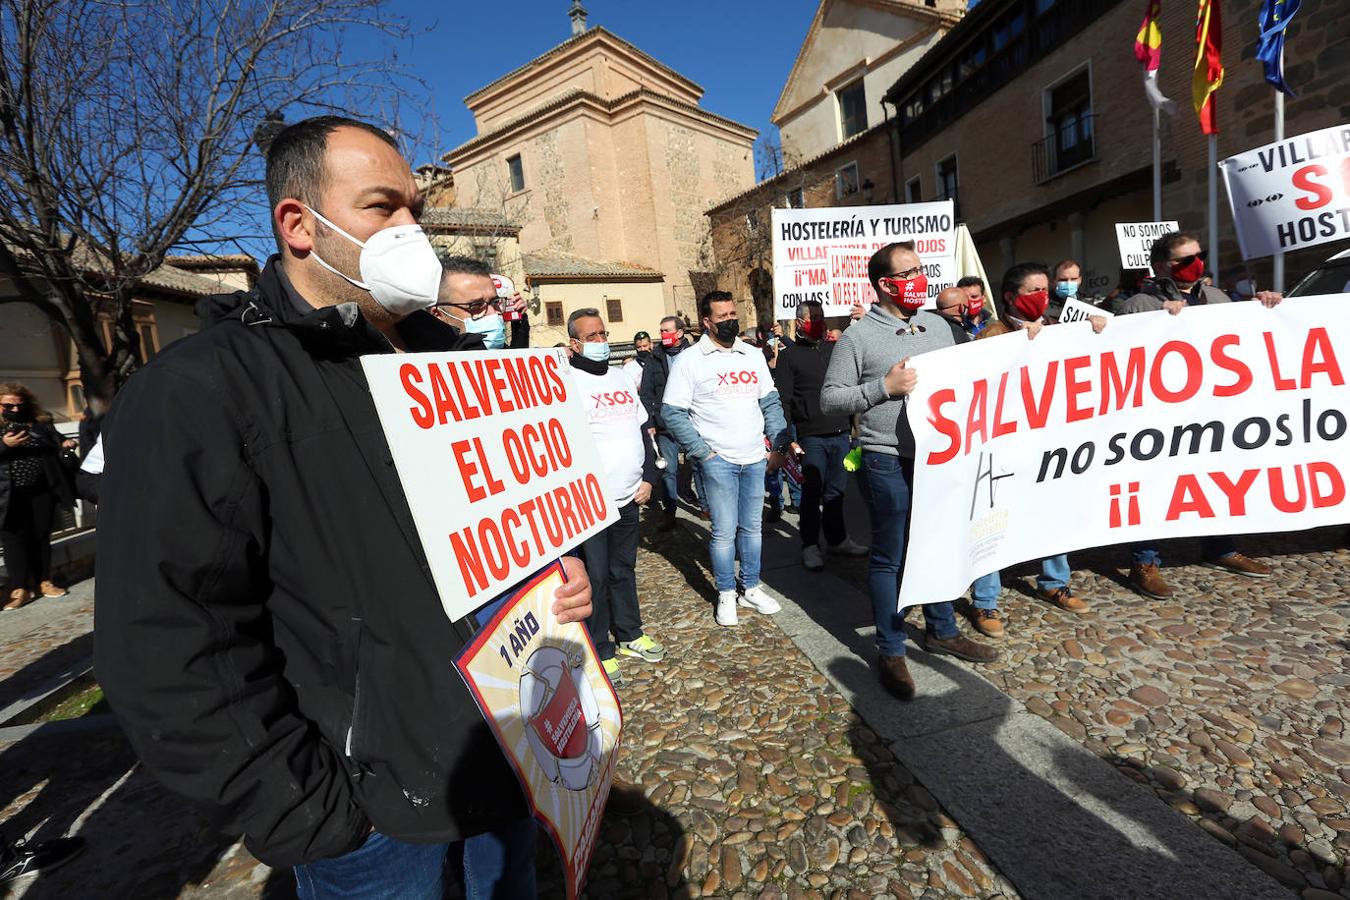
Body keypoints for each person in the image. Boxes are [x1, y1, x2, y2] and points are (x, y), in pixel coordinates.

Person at [93, 116, 594, 899]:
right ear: (298, 224)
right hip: (371, 816)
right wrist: (309, 811)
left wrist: (553, 584)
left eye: (416, 212)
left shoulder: (453, 359)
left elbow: (493, 536)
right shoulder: (202, 390)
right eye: (382, 208)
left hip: (506, 754)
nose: (411, 231)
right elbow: (167, 640)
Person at [821, 243, 997, 701]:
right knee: (890, 555)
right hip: (885, 458)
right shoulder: (858, 337)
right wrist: (884, 387)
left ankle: (941, 630)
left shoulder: (939, 324)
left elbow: (986, 363)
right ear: (885, 283)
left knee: (937, 544)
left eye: (920, 269)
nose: (920, 277)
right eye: (910, 271)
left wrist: (1045, 337)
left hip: (940, 456)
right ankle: (891, 648)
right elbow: (831, 400)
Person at [1117, 231, 1277, 597]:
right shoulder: (1139, 304)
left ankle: (1220, 547)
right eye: (1184, 260)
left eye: (1198, 256)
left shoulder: (1219, 298)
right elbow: (1119, 354)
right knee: (1154, 484)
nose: (1196, 264)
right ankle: (1144, 561)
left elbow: (1248, 335)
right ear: (1161, 266)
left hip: (1213, 408)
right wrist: (1158, 323)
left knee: (1215, 477)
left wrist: (1265, 306)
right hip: (1159, 415)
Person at [961, 264, 1096, 638]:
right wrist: (1021, 342)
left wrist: (1098, 331)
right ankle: (985, 601)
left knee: (1053, 514)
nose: (1044, 295)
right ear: (1010, 296)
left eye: (1045, 288)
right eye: (1034, 289)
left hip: (1049, 445)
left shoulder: (1058, 327)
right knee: (993, 522)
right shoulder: (991, 333)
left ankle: (1054, 581)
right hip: (1005, 448)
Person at [661, 291, 789, 627]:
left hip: (754, 457)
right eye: (723, 316)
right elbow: (671, 412)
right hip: (718, 460)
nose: (731, 320)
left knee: (752, 529)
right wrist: (702, 452)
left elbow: (771, 401)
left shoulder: (752, 354)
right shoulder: (691, 360)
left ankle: (750, 586)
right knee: (723, 533)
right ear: (706, 321)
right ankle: (726, 592)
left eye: (733, 313)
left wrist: (776, 444)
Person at [567, 309, 665, 684]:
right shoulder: (566, 381)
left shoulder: (623, 376)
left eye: (603, 334)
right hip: (591, 501)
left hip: (629, 493)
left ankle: (629, 634)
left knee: (623, 569)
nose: (600, 342)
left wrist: (650, 477)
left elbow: (642, 428)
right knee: (595, 575)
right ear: (575, 343)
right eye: (591, 337)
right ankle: (600, 647)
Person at [774, 300, 866, 570]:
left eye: (820, 316)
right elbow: (785, 399)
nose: (817, 320)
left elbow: (849, 387)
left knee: (837, 492)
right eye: (812, 317)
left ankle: (838, 540)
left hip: (839, 434)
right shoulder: (790, 356)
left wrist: (854, 430)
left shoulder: (834, 349)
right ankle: (810, 545)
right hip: (810, 436)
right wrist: (788, 438)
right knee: (812, 493)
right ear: (799, 322)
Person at [0, 384, 76, 609]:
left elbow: (56, 440)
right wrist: (4, 445)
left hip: (41, 490)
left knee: (41, 535)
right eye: (8, 405)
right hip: (7, 494)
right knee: (13, 540)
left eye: (19, 404)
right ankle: (19, 588)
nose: (14, 409)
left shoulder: (40, 423)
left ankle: (44, 581)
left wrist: (65, 443)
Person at [639, 315, 708, 528]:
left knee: (699, 465)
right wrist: (649, 421)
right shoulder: (654, 358)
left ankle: (706, 507)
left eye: (667, 330)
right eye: (661, 331)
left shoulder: (695, 355)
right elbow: (646, 394)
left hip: (692, 422)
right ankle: (670, 511)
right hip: (664, 425)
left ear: (679, 333)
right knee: (668, 469)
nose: (663, 335)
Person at [432, 254, 529, 348]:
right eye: (476, 306)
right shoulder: (424, 362)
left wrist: (520, 331)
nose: (494, 314)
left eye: (495, 302)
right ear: (438, 316)